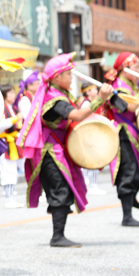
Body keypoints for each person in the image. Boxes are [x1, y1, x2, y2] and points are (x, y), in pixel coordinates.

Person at [17, 53, 114, 248]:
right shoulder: (55, 99)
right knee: (60, 189)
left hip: (57, 149)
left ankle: (59, 234)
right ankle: (57, 236)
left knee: (63, 189)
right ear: (56, 77)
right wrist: (99, 99)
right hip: (50, 152)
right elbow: (77, 115)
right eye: (68, 74)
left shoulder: (60, 95)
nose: (72, 78)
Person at [104, 52, 139, 226]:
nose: (137, 70)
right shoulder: (118, 87)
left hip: (131, 133)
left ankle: (131, 201)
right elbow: (131, 106)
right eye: (134, 67)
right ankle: (127, 216)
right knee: (127, 171)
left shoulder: (127, 85)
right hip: (123, 134)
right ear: (125, 69)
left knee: (135, 170)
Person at [76, 81, 106, 196]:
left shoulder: (87, 102)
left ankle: (89, 183)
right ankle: (93, 186)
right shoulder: (86, 104)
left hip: (90, 134)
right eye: (93, 89)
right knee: (94, 159)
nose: (96, 91)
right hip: (89, 134)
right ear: (88, 91)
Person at [0, 84, 24, 208]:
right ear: (4, 95)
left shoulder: (13, 108)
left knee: (14, 170)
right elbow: (0, 126)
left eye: (13, 93)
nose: (13, 95)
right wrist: (14, 119)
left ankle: (11, 196)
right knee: (8, 171)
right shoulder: (1, 108)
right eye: (10, 93)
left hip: (14, 141)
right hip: (5, 142)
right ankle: (9, 199)